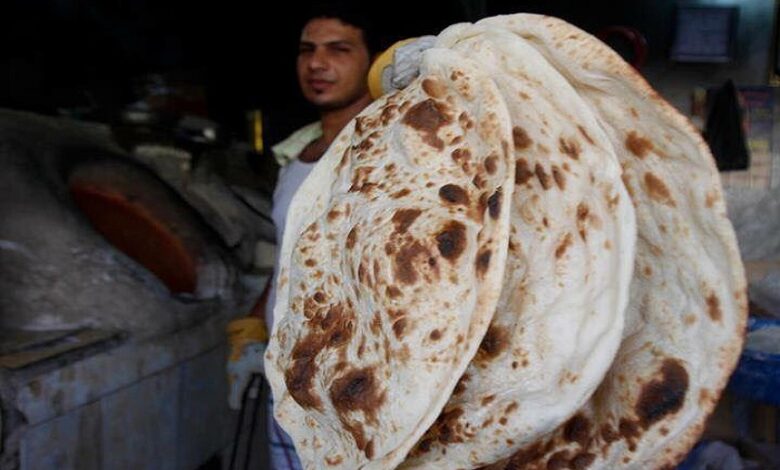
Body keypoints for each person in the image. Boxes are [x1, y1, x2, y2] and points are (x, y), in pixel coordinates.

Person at [226, 3, 382, 469]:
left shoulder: (386, 153)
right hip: (288, 374)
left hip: (356, 385)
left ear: (373, 61)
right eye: (307, 50)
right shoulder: (297, 156)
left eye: (339, 50)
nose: (317, 63)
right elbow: (288, 258)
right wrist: (256, 323)